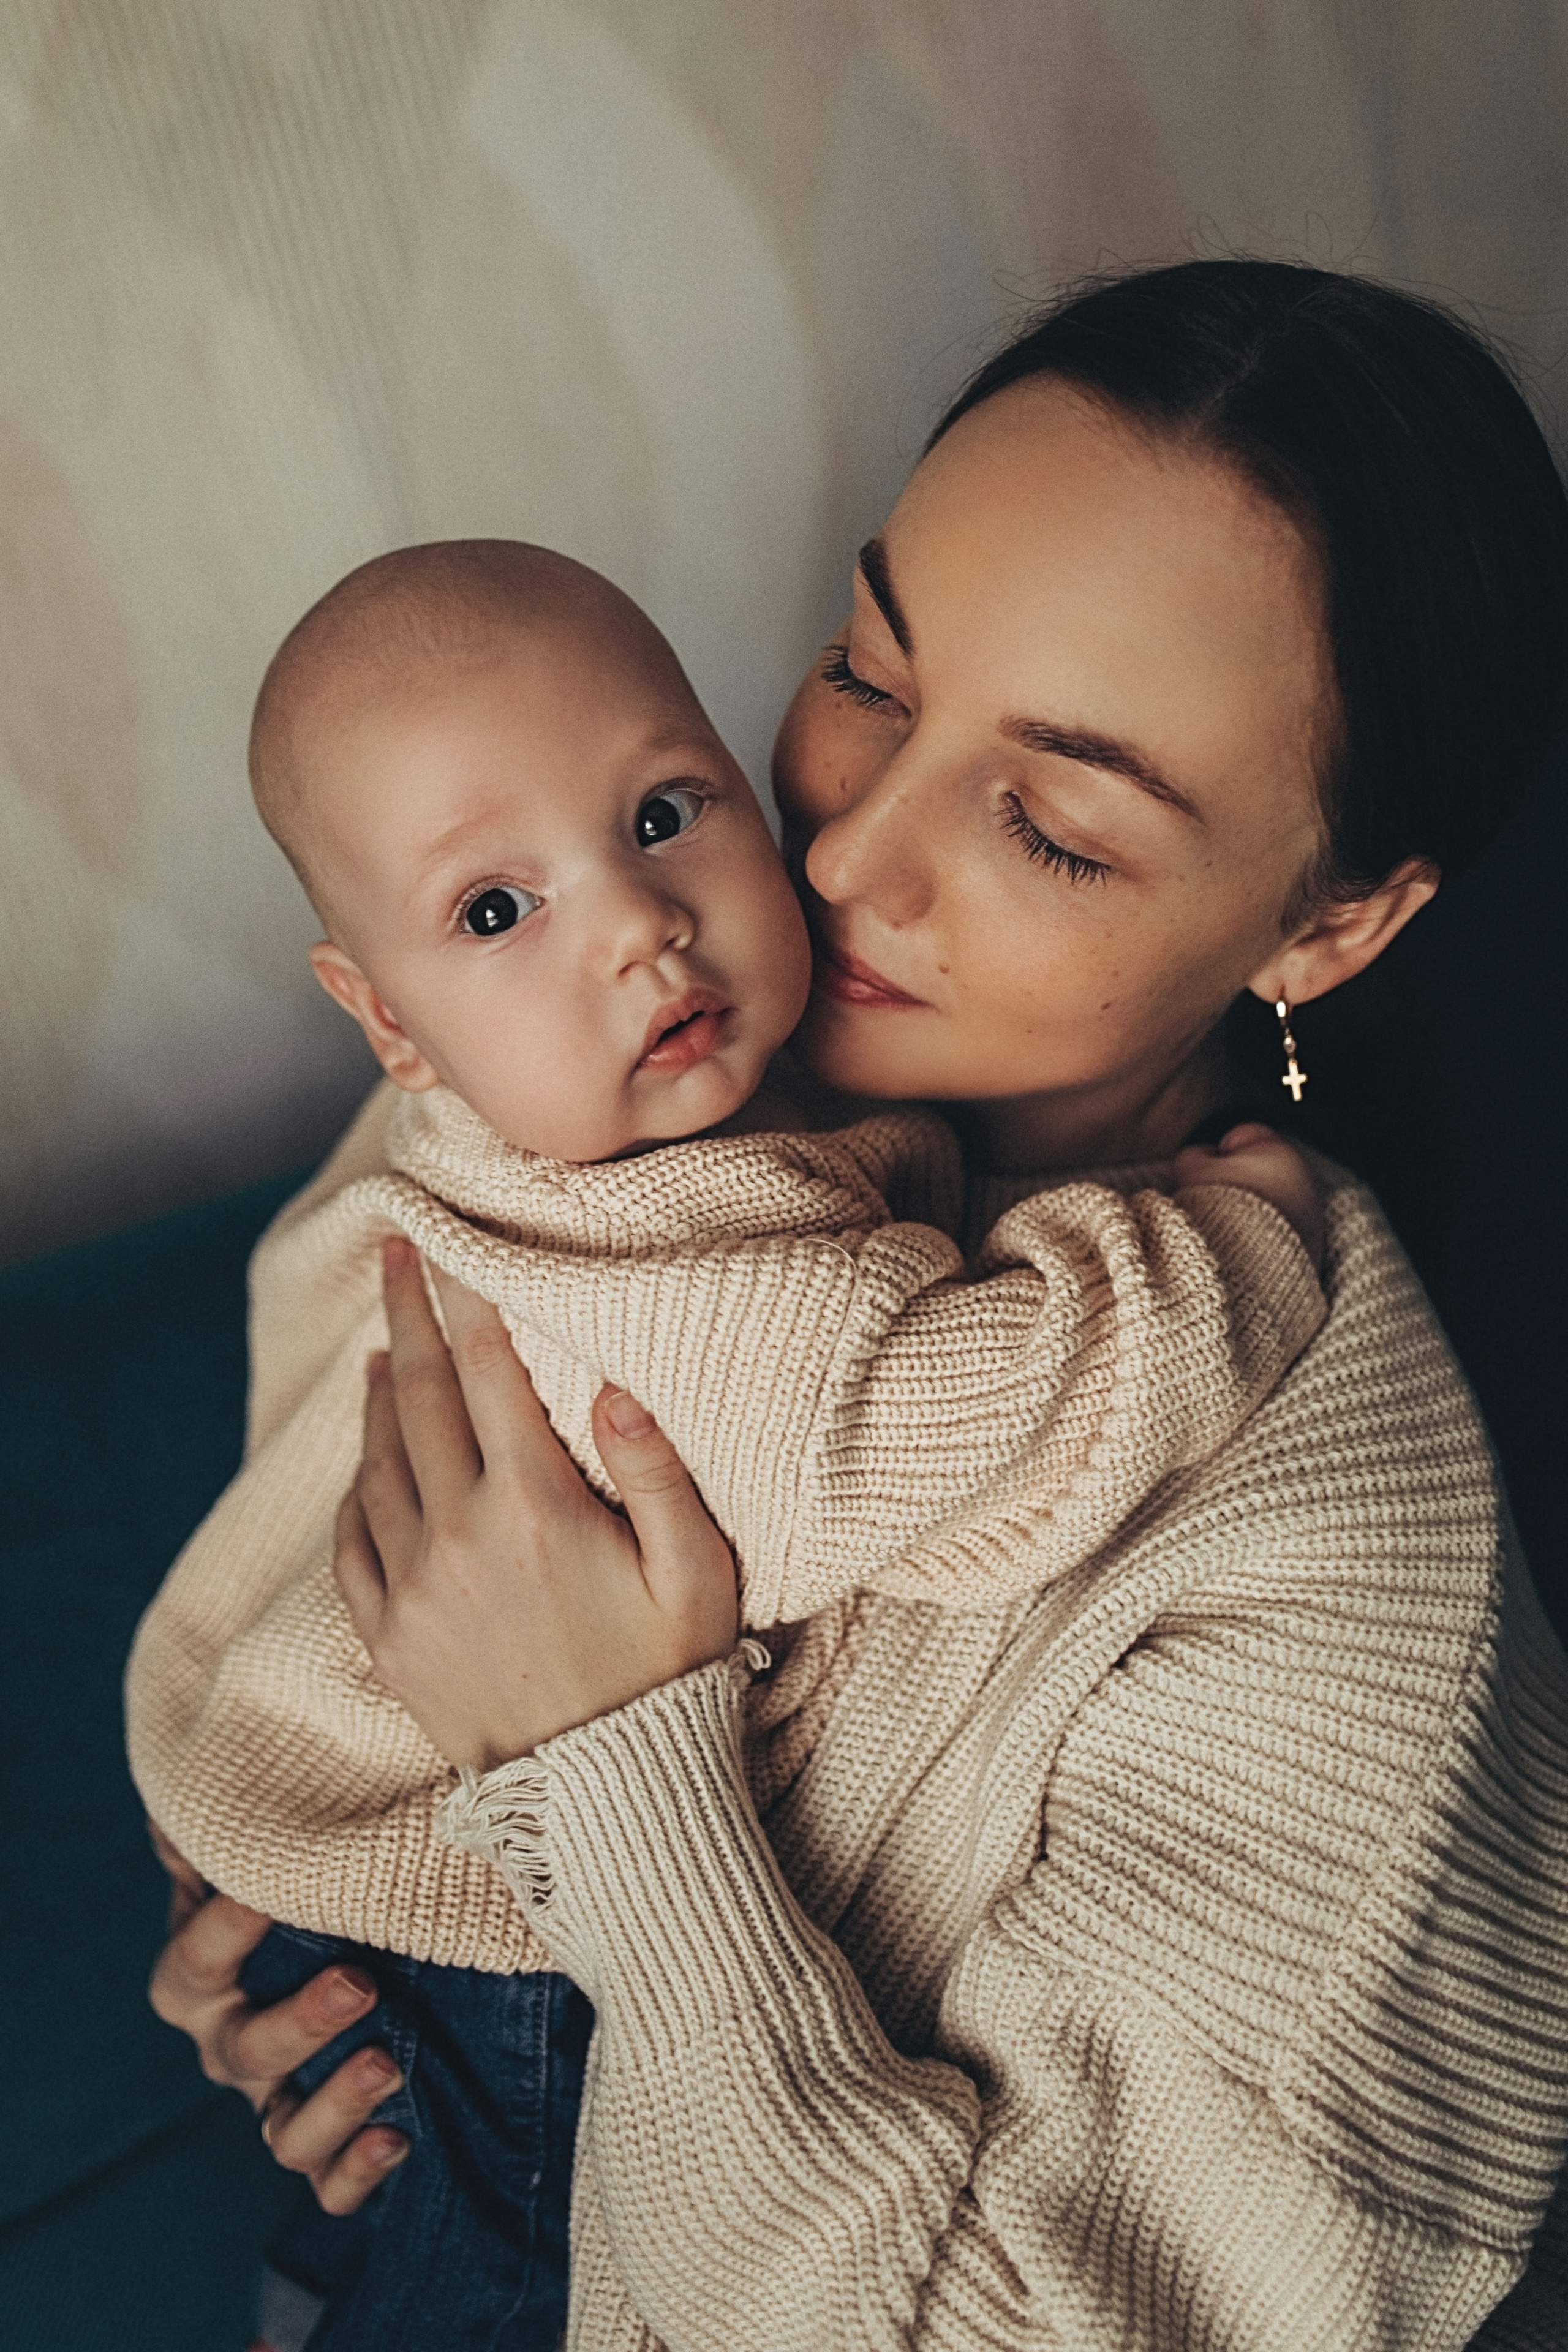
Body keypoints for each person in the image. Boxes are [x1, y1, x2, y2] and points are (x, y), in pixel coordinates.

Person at [150, 260, 1568, 2350]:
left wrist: (601, 1769)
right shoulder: (595, 1037)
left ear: (1333, 922)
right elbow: (325, 1437)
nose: (842, 862)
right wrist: (283, 1908)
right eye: (868, 674)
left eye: (1054, 828)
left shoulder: (1332, 1571)